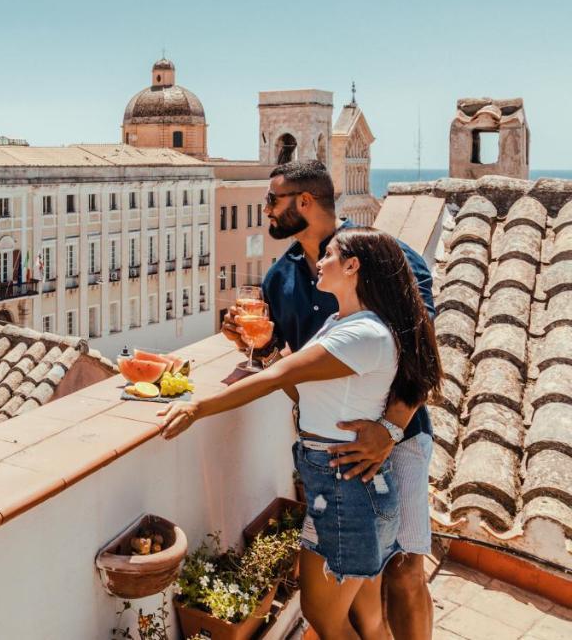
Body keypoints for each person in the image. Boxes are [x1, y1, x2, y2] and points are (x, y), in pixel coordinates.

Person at [162, 227, 442, 640]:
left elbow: (279, 377)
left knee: (325, 617)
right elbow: (305, 390)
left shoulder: (362, 334)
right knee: (366, 618)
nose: (320, 263)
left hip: (347, 491)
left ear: (352, 266)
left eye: (329, 255)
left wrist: (196, 408)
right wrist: (267, 347)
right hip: (344, 486)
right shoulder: (342, 322)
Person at [223, 160, 437, 640]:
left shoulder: (387, 257)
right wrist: (248, 340)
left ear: (305, 202)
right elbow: (287, 357)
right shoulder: (280, 278)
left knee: (404, 568)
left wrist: (390, 430)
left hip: (398, 441)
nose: (265, 211)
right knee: (361, 584)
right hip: (335, 456)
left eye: (273, 201)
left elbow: (422, 351)